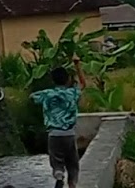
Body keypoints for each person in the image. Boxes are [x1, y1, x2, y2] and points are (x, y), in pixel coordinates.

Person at [30, 56, 87, 188]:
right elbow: (83, 84)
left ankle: (59, 175)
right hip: (69, 134)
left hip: (53, 135)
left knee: (57, 162)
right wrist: (77, 65)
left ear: (53, 80)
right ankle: (72, 184)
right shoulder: (72, 93)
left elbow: (32, 97)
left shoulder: (47, 94)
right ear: (68, 80)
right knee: (73, 164)